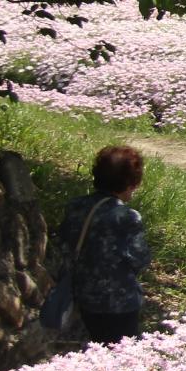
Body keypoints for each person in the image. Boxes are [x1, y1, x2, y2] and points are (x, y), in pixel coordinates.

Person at [54, 144, 151, 344]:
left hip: (83, 294)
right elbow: (140, 259)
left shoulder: (76, 206)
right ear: (131, 183)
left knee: (98, 346)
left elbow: (64, 242)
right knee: (124, 354)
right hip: (120, 301)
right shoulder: (127, 217)